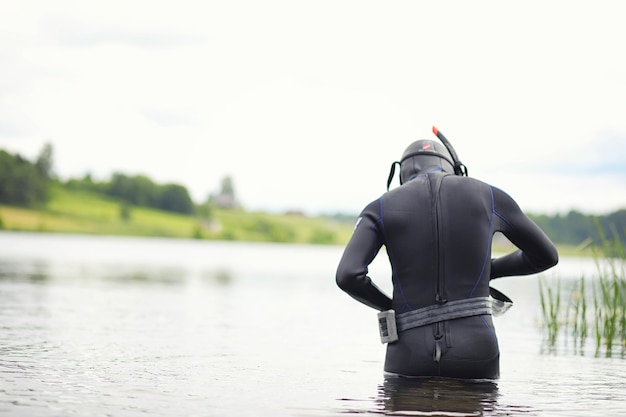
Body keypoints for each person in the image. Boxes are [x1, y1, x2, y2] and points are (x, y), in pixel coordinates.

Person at [335, 127, 558, 380]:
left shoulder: (380, 208)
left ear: (401, 172)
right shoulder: (490, 196)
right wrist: (489, 270)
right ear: (454, 167)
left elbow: (348, 275)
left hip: (408, 352)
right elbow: (546, 255)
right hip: (476, 351)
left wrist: (391, 308)